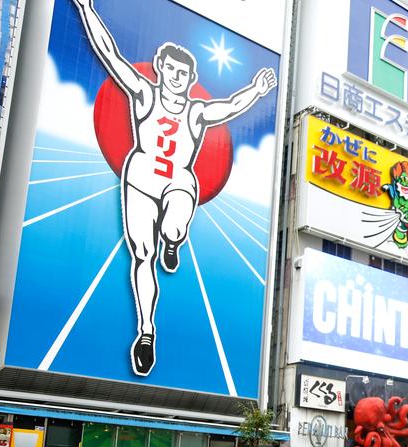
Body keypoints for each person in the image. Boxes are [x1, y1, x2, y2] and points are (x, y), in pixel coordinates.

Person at [72, 0, 277, 376]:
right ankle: (146, 332)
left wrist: (257, 91)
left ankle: (173, 239)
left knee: (174, 224)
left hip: (178, 180)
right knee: (141, 256)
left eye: (184, 72)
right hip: (140, 179)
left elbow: (230, 107)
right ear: (162, 70)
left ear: (189, 76)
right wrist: (86, 8)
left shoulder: (196, 112)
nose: (177, 77)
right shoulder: (144, 95)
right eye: (171, 69)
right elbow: (109, 54)